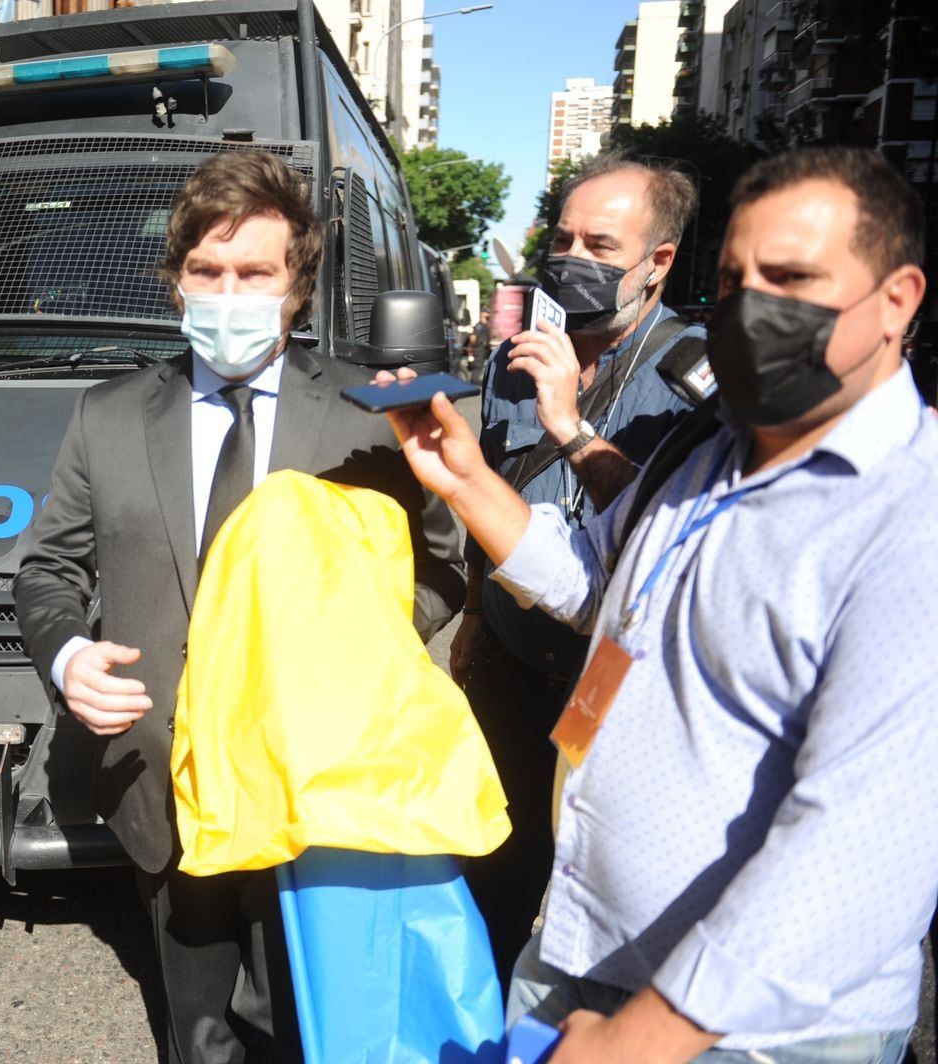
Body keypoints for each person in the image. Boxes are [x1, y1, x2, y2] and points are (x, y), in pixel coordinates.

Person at [381, 145, 935, 1062]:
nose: (755, 304)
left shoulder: (911, 517)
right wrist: (468, 477)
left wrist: (640, 1040)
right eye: (738, 277)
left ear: (897, 301)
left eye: (792, 277)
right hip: (583, 946)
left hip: (756, 1030)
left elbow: (856, 847)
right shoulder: (701, 453)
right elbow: (593, 584)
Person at [12, 151, 466, 1064]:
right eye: (207, 272)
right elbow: (46, 570)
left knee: (305, 1026)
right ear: (176, 284)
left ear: (298, 287)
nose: (230, 292)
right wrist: (67, 657)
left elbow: (443, 569)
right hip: (160, 786)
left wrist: (352, 657)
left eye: (256, 273)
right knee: (197, 1028)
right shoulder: (107, 415)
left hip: (314, 786)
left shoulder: (364, 416)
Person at [457, 156, 703, 980]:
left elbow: (668, 538)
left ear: (657, 262)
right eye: (561, 237)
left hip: (611, 690)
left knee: (597, 900)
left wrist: (568, 423)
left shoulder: (693, 381)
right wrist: (466, 620)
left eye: (600, 243)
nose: (570, 258)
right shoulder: (513, 355)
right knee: (490, 875)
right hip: (509, 669)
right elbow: (484, 489)